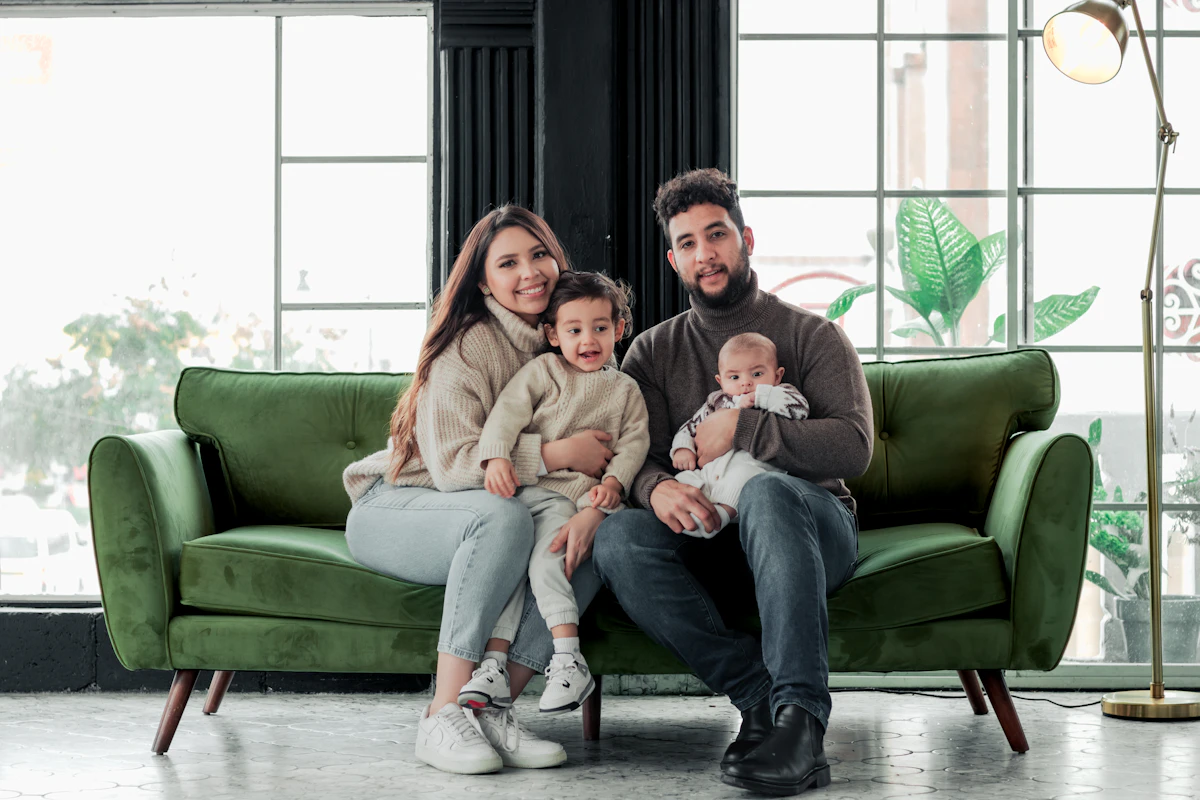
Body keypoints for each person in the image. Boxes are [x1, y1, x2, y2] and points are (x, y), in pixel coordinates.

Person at [592, 168, 873, 796]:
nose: (705, 254)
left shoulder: (813, 336)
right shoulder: (651, 353)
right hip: (710, 533)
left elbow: (853, 448)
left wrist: (742, 429)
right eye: (688, 243)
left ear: (745, 238)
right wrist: (653, 488)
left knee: (767, 491)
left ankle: (802, 724)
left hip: (809, 529)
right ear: (673, 259)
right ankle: (759, 697)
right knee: (618, 541)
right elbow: (637, 452)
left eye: (716, 235)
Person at [341, 206, 612, 776]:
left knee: (581, 540)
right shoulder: (468, 345)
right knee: (503, 516)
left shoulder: (567, 339)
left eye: (539, 254)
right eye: (508, 263)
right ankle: (441, 714)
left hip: (488, 507)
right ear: (484, 281)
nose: (530, 272)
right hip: (395, 505)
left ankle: (487, 706)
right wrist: (559, 454)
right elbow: (457, 466)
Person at [463, 271, 649, 716]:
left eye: (600, 328)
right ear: (552, 333)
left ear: (619, 330)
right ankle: (493, 665)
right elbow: (505, 416)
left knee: (548, 560)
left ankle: (568, 658)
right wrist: (497, 458)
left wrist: (613, 482)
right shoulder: (542, 372)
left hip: (580, 499)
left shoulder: (625, 390)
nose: (589, 339)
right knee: (508, 568)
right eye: (575, 329)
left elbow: (634, 443)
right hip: (529, 493)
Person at [670, 331, 810, 536]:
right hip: (710, 471)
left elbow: (800, 409)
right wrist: (683, 447)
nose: (746, 383)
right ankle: (693, 513)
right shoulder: (716, 401)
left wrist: (759, 398)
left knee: (744, 479)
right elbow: (692, 426)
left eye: (756, 374)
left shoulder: (780, 393)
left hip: (754, 469)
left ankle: (719, 518)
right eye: (734, 377)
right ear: (720, 380)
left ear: (777, 375)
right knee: (684, 480)